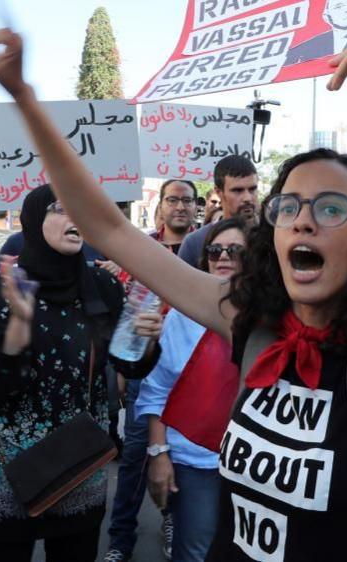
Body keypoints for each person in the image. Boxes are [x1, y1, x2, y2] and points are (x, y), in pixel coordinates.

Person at [0, 26, 347, 561]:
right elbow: (111, 230)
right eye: (288, 206)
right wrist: (25, 97)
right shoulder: (253, 323)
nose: (303, 221)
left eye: (332, 207)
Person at [0, 185, 159, 562]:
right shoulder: (9, 285)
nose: (74, 219)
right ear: (33, 220)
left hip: (80, 456)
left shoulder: (103, 286)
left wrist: (146, 341)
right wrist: (20, 320)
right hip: (9, 458)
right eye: (59, 210)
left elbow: (131, 366)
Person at [135, 218, 247, 562]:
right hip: (195, 463)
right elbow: (156, 390)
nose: (223, 257)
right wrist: (158, 454)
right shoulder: (181, 315)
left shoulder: (272, 317)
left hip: (253, 466)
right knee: (196, 552)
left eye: (235, 250)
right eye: (215, 250)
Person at [103, 178, 198, 562]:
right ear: (160, 206)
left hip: (194, 368)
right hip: (147, 368)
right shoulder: (140, 250)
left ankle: (174, 519)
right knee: (138, 455)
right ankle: (120, 539)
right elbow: (129, 310)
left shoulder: (206, 249)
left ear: (197, 206)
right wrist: (126, 368)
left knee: (186, 455)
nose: (180, 206)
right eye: (172, 199)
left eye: (187, 201)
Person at [177, 156, 257, 267]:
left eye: (252, 189)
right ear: (219, 192)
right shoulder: (195, 242)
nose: (248, 198)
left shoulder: (272, 237)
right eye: (238, 190)